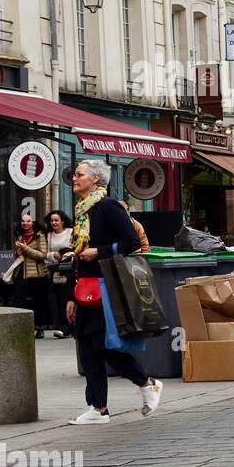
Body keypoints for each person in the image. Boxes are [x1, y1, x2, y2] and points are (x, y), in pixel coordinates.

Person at [66, 160, 163, 425]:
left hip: (106, 286)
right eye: (74, 174)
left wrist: (99, 251)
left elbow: (131, 241)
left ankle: (146, 382)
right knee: (88, 349)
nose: (74, 178)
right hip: (85, 287)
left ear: (95, 179)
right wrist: (70, 296)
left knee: (102, 346)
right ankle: (98, 408)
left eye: (79, 174)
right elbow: (77, 256)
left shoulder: (107, 206)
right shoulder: (83, 211)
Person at [11, 212, 52, 338]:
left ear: (33, 222)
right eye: (23, 221)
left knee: (38, 302)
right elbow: (16, 256)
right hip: (21, 273)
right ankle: (21, 328)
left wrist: (25, 248)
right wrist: (18, 252)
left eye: (28, 221)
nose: (25, 223)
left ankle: (39, 328)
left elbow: (42, 255)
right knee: (19, 300)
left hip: (37, 274)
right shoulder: (18, 235)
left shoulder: (39, 236)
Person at [44, 210, 74, 338]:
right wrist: (53, 255)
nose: (54, 223)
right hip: (55, 269)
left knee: (67, 297)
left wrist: (66, 254)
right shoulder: (49, 235)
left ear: (62, 221)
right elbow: (46, 254)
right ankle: (61, 325)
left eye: (56, 220)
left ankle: (68, 327)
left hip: (69, 268)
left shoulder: (71, 232)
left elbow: (75, 249)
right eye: (51, 221)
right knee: (57, 299)